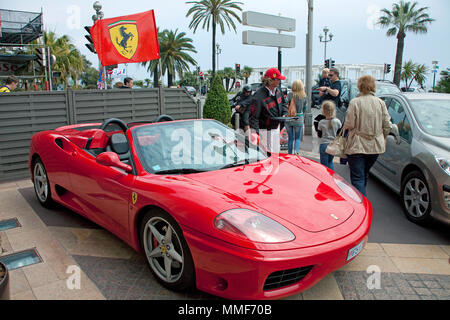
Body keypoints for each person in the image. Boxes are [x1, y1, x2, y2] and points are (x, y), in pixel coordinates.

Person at [343, 75, 392, 196]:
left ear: (360, 86)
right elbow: (387, 125)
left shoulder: (355, 102)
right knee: (364, 174)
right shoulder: (380, 103)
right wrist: (383, 137)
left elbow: (349, 124)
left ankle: (361, 207)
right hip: (375, 146)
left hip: (357, 146)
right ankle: (363, 200)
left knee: (357, 178)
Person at [249, 68, 288, 153]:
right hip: (264, 130)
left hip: (276, 128)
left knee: (275, 152)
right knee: (266, 154)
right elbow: (254, 117)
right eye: (278, 79)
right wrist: (256, 134)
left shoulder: (278, 90)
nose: (280, 81)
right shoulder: (258, 96)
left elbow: (284, 103)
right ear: (271, 80)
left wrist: (285, 113)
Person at [285, 80, 307, 155]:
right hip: (299, 118)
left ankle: (289, 153)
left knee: (290, 138)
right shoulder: (303, 95)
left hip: (289, 118)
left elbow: (285, 103)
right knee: (297, 138)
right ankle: (296, 152)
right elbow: (305, 108)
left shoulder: (290, 94)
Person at [318, 100, 342, 170]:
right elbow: (339, 133)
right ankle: (331, 176)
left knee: (324, 165)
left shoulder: (321, 122)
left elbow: (319, 135)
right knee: (330, 162)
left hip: (324, 144)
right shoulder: (338, 122)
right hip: (333, 144)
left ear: (323, 111)